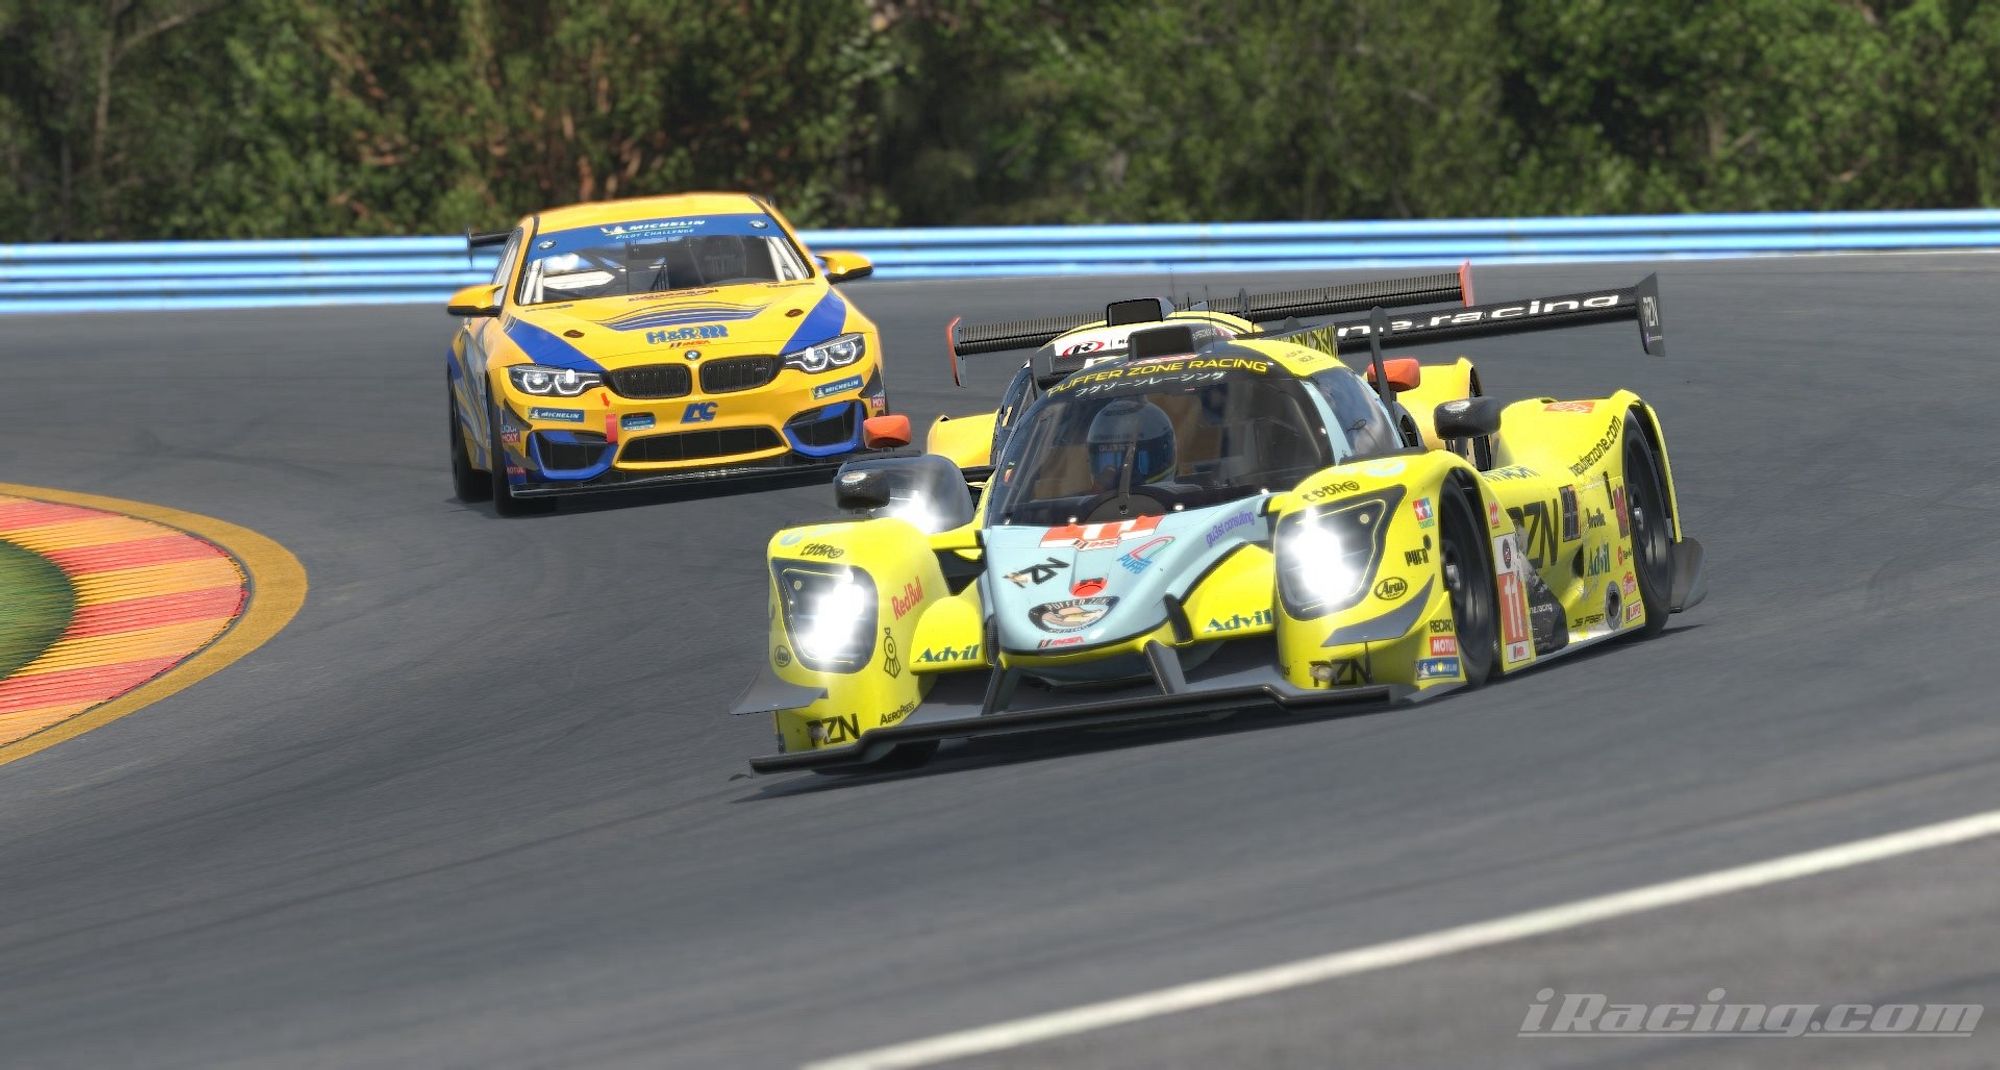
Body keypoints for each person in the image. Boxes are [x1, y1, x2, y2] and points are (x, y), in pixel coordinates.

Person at [1084, 397, 1176, 492]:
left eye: (1134, 465)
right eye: (1107, 463)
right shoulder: (1082, 505)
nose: (1121, 478)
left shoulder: (1188, 500)